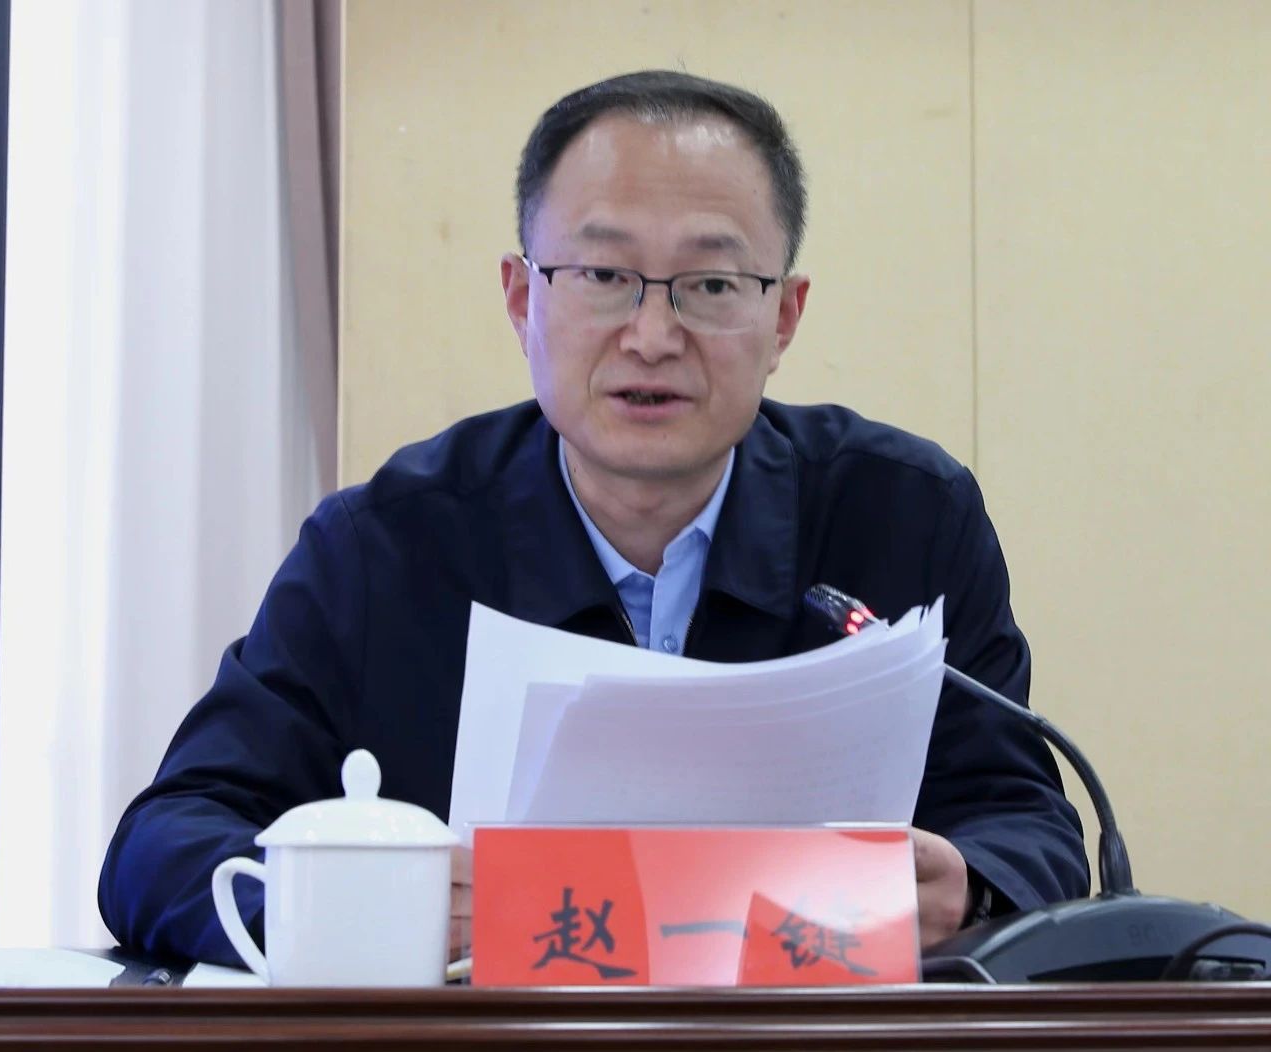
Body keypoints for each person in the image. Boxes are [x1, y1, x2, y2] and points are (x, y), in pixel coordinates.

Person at [99, 70, 1089, 966]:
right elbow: (163, 843)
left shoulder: (904, 516)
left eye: (711, 284)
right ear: (520, 298)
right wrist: (361, 907)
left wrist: (971, 885)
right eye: (603, 276)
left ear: (783, 317)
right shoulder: (386, 546)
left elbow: (1027, 826)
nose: (651, 336)